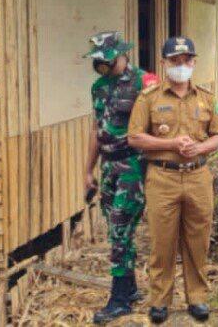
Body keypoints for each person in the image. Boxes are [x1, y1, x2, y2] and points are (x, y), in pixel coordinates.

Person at [127, 37, 218, 324]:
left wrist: (199, 148)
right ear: (164, 63)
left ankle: (197, 297)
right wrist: (172, 144)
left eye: (186, 60)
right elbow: (134, 137)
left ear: (194, 62)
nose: (181, 66)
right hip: (162, 177)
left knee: (198, 241)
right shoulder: (148, 99)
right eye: (175, 61)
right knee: (162, 242)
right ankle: (159, 301)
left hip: (198, 176)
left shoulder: (208, 98)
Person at [83, 31, 158, 324]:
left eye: (107, 60)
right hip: (108, 166)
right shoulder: (99, 87)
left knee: (119, 229)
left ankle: (119, 299)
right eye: (98, 60)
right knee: (118, 231)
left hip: (133, 165)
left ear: (123, 54)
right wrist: (87, 170)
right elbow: (96, 129)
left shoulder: (145, 82)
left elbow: (162, 119)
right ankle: (129, 287)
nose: (102, 65)